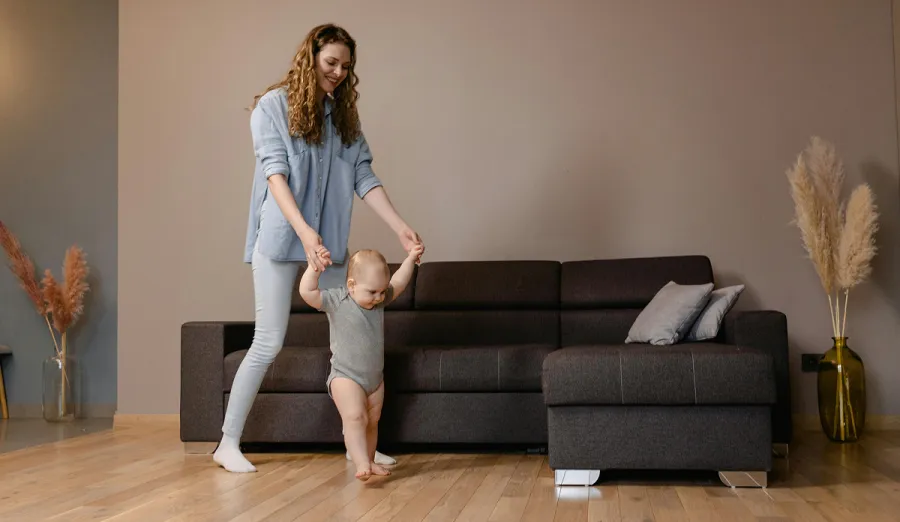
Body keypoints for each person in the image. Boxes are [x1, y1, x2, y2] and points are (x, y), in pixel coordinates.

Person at [213, 23, 424, 473]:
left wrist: (400, 227)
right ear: (309, 57)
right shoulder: (272, 108)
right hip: (282, 237)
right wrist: (306, 233)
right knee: (268, 341)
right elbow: (275, 175)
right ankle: (227, 443)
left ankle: (359, 449)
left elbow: (364, 176)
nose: (339, 73)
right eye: (331, 63)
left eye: (346, 66)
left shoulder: (344, 120)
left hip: (327, 248)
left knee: (354, 332)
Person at [299, 246, 421, 480]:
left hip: (374, 379)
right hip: (345, 375)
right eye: (373, 291)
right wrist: (315, 269)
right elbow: (307, 292)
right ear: (352, 285)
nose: (379, 297)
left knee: (372, 422)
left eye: (383, 292)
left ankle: (370, 459)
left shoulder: (379, 302)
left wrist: (410, 259)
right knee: (356, 417)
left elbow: (400, 281)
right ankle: (361, 462)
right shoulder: (336, 299)